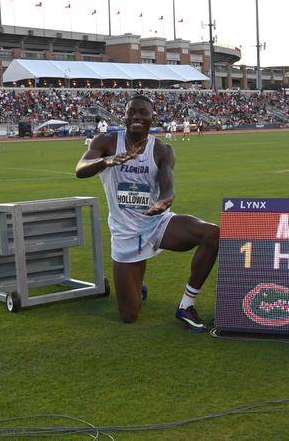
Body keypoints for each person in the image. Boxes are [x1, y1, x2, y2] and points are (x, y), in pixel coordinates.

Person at [75, 95, 220, 332]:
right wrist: (107, 161)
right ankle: (135, 284)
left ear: (153, 117)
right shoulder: (108, 142)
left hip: (157, 224)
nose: (137, 117)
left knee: (212, 234)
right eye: (132, 112)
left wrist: (165, 201)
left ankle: (186, 305)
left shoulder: (162, 149)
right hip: (125, 233)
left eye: (143, 113)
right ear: (124, 115)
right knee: (129, 315)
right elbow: (80, 170)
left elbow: (168, 185)